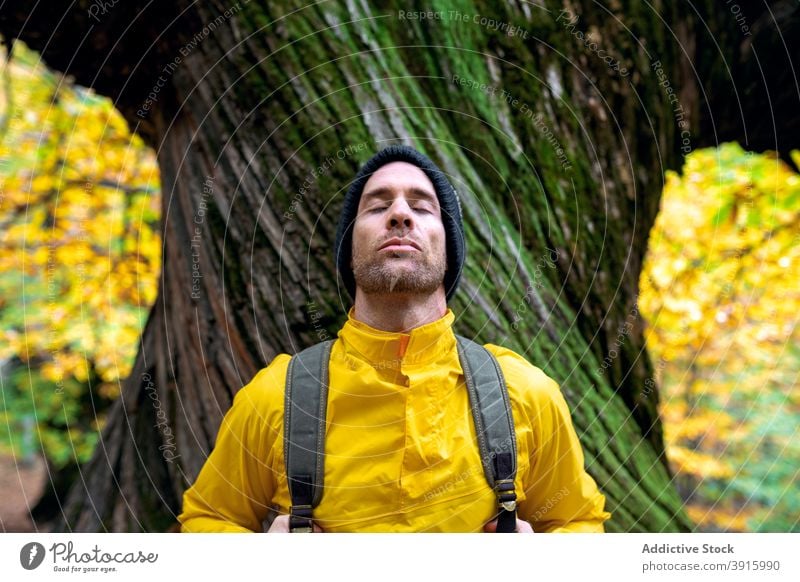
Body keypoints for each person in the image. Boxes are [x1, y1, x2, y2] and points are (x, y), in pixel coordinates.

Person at [178, 145, 611, 533]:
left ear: (449, 249)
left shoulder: (526, 395)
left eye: (423, 208)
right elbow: (206, 521)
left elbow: (578, 524)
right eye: (377, 205)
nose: (400, 214)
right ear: (350, 250)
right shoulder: (275, 397)